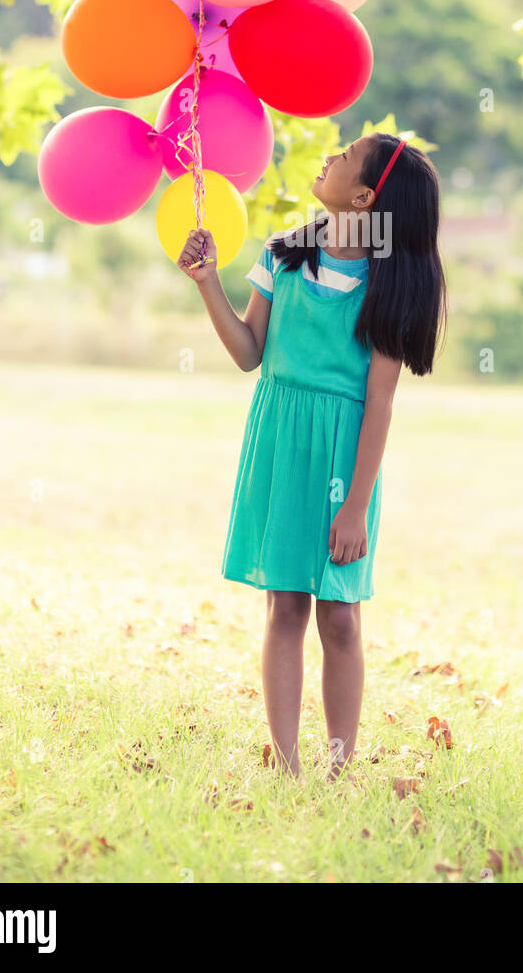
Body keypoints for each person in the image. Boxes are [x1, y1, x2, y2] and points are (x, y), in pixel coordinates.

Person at [176, 132, 447, 783]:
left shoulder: (392, 284)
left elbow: (379, 401)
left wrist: (355, 505)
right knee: (286, 606)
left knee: (340, 616)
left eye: (346, 156)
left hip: (344, 458)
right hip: (279, 440)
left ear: (363, 196)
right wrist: (208, 282)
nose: (330, 155)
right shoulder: (285, 252)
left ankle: (338, 764)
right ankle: (288, 766)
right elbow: (248, 352)